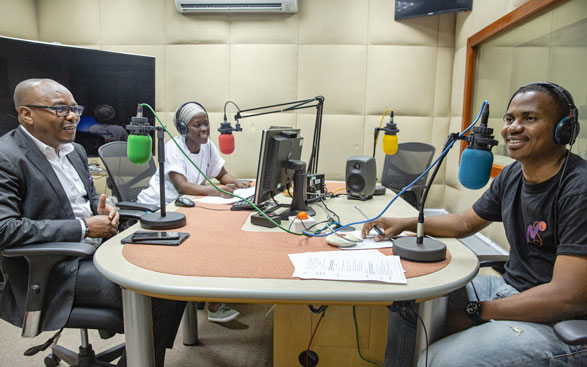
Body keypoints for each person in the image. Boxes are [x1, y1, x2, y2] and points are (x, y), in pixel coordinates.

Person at [362, 82, 587, 367]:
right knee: (411, 301)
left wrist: (477, 310)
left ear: (563, 129)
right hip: (508, 290)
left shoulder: (578, 189)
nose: (513, 128)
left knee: (441, 361)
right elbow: (465, 221)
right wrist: (405, 222)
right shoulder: (513, 175)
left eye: (529, 118)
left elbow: (567, 298)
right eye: (510, 119)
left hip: (560, 324)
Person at [0, 79, 185, 367]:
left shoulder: (73, 151)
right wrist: (85, 227)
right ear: (27, 114)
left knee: (177, 269)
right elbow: (5, 230)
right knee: (158, 287)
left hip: (96, 249)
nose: (73, 116)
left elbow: (80, 203)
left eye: (74, 108)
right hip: (53, 269)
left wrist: (107, 210)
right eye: (61, 109)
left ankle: (141, 359)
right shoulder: (6, 157)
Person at [138, 101, 249, 323]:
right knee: (212, 240)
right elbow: (183, 186)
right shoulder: (173, 147)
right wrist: (218, 191)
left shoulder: (207, 145)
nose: (204, 129)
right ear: (182, 128)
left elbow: (221, 173)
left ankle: (211, 294)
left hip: (187, 206)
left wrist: (237, 184)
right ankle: (214, 303)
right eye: (197, 125)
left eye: (206, 123)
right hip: (161, 208)